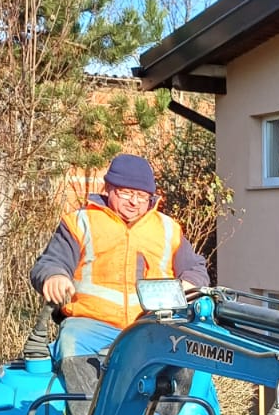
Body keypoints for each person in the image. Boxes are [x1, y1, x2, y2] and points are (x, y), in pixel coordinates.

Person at [31, 153, 210, 365]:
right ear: (108, 188)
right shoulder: (80, 222)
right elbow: (51, 262)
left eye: (142, 196)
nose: (134, 202)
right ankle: (86, 389)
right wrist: (55, 276)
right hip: (91, 326)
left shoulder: (167, 228)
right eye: (126, 193)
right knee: (71, 344)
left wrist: (189, 284)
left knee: (189, 358)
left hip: (154, 326)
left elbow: (195, 269)